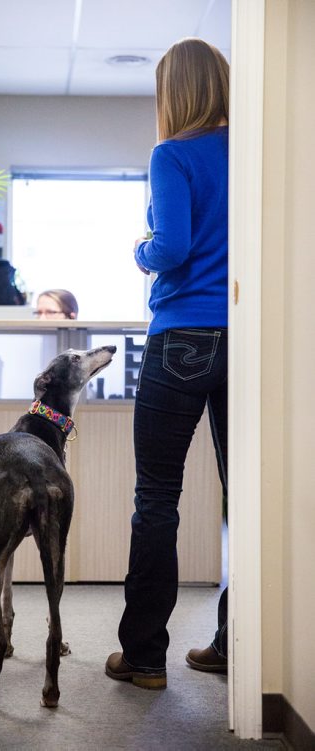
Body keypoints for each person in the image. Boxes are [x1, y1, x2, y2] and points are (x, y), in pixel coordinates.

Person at [105, 37, 229, 690]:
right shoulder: (254, 149)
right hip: (249, 338)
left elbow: (172, 247)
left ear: (171, 93)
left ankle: (145, 655)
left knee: (157, 498)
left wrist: (139, 248)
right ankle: (237, 640)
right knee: (249, 499)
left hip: (181, 335)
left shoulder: (171, 153)